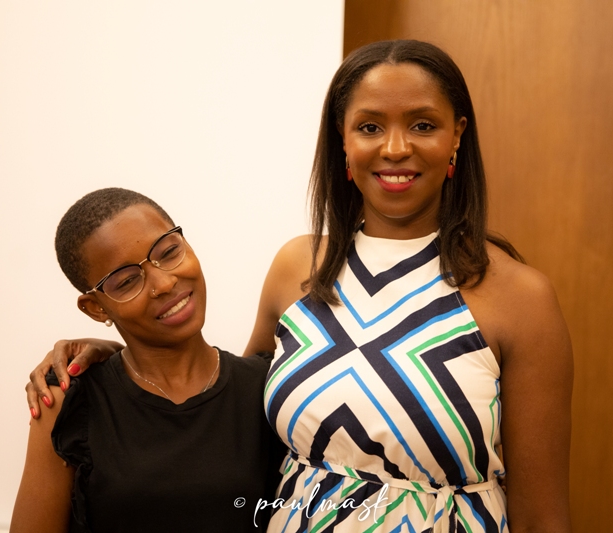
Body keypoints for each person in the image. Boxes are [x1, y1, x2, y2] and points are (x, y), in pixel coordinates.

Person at [28, 40, 573, 532]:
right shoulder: (297, 267)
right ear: (343, 140)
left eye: (423, 125)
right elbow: (230, 402)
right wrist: (115, 358)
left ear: (457, 135)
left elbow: (542, 517)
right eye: (370, 127)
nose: (394, 148)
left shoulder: (519, 298)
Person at [11, 188, 283, 532]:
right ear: (96, 308)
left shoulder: (269, 388)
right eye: (126, 282)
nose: (164, 283)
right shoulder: (68, 403)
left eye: (169, 252)